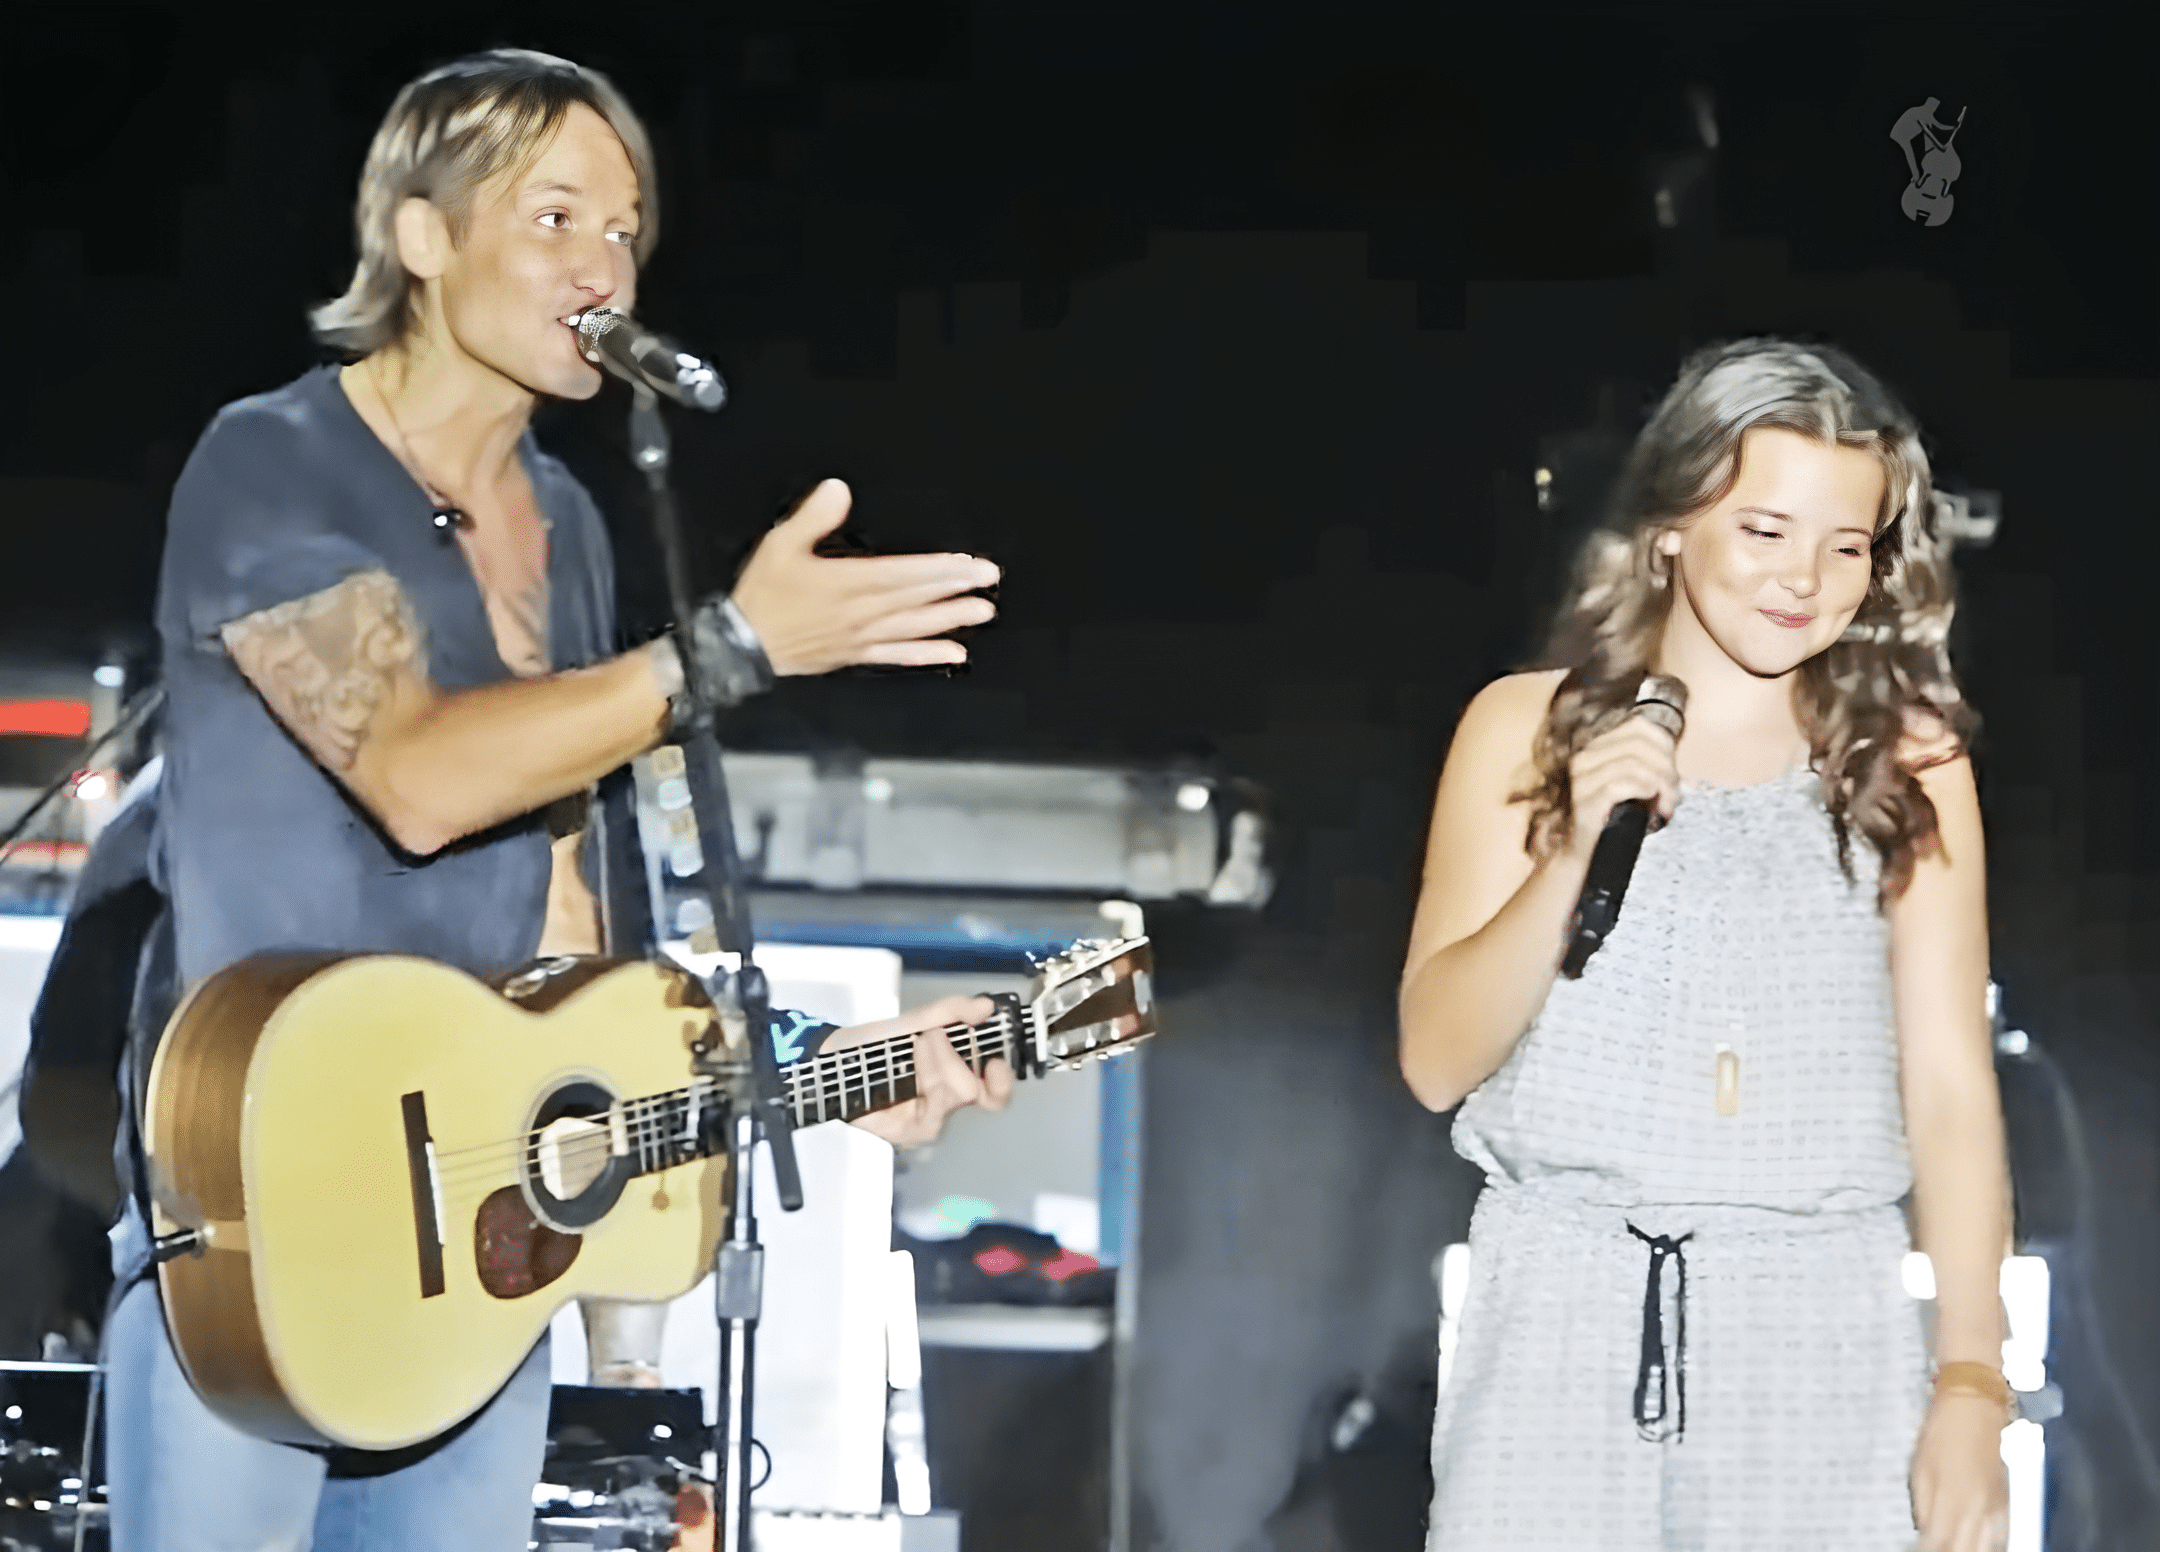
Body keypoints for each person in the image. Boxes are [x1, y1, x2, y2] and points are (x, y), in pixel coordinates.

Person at [106, 48, 1014, 1551]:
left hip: (476, 1232)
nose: (607, 263)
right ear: (419, 235)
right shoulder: (274, 464)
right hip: (263, 1198)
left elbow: (578, 918)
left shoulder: (570, 523)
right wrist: (732, 648)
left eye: (628, 227)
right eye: (556, 218)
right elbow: (417, 775)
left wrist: (805, 1064)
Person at [1399, 339, 2011, 1551]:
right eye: (1766, 529)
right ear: (1674, 524)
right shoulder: (1526, 727)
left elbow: (1950, 1089)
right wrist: (1569, 847)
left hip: (1822, 1328)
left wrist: (1970, 1385)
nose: (1806, 578)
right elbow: (1433, 1059)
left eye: (1849, 545)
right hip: (1558, 1319)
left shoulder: (1910, 761)